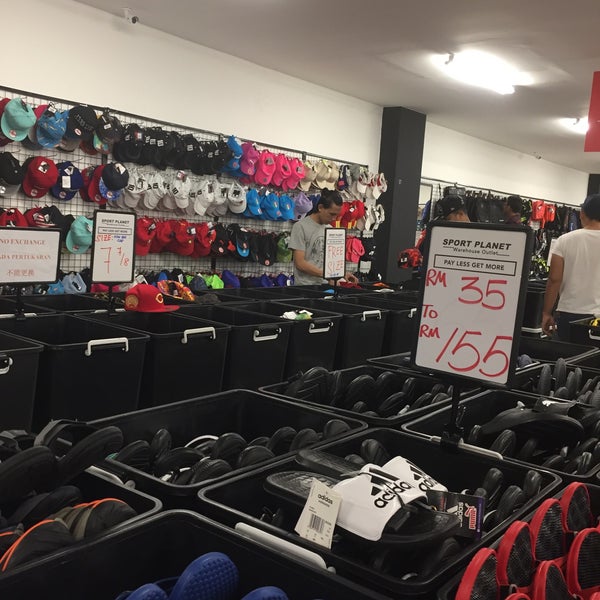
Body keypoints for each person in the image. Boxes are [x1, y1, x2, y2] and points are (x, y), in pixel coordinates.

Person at [541, 193, 600, 340]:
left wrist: (546, 313)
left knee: (569, 353)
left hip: (570, 312)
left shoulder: (565, 240)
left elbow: (554, 279)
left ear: (582, 213)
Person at [289, 189, 359, 285]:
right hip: (305, 287)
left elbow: (331, 262)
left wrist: (342, 274)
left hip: (325, 285)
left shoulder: (330, 229)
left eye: (336, 215)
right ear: (320, 207)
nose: (334, 218)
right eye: (331, 214)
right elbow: (300, 263)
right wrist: (327, 275)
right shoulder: (300, 227)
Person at [398, 194, 470, 269]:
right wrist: (417, 259)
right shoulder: (437, 232)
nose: (445, 223)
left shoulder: (476, 236)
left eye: (448, 219)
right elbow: (405, 259)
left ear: (460, 214)